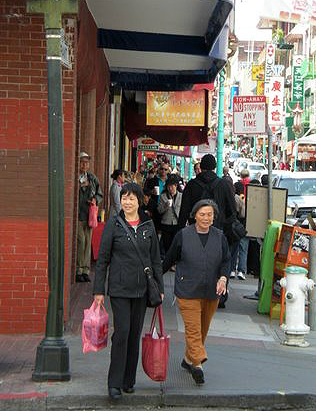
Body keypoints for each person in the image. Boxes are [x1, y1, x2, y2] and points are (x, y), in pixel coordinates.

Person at [93, 183, 164, 400]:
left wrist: (159, 288)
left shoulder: (148, 226)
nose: (127, 202)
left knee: (134, 335)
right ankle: (114, 384)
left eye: (132, 198)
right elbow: (103, 259)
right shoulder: (113, 225)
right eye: (124, 197)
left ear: (140, 201)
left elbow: (155, 260)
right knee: (122, 333)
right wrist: (99, 291)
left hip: (142, 289)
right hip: (119, 289)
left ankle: (128, 380)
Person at [163, 199, 230, 385]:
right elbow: (169, 260)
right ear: (194, 215)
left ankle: (188, 359)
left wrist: (223, 278)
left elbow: (226, 261)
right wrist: (154, 279)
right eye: (202, 214)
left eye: (209, 215)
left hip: (211, 291)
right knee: (193, 330)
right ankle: (198, 364)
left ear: (214, 217)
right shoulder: (183, 235)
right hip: (187, 290)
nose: (206, 218)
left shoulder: (220, 236)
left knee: (202, 329)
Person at [178, 154, 236, 239]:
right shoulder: (224, 185)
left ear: (201, 167)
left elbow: (184, 211)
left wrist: (180, 232)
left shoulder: (191, 184)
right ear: (214, 167)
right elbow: (232, 210)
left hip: (195, 231)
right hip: (217, 232)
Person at [77, 152, 103, 283]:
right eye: (82, 162)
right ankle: (78, 269)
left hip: (89, 216)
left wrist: (94, 200)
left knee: (87, 243)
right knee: (80, 242)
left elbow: (100, 194)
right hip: (78, 216)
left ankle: (85, 270)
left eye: (86, 162)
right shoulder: (75, 176)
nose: (84, 165)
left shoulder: (92, 178)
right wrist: (80, 186)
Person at [157, 174, 182, 258]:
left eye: (172, 186)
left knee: (176, 244)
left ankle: (174, 261)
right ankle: (170, 262)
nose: (170, 188)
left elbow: (183, 210)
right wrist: (165, 206)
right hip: (166, 223)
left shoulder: (181, 196)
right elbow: (159, 211)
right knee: (167, 244)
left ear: (176, 186)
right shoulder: (163, 196)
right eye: (168, 187)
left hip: (177, 223)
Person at [230, 181, 248, 280]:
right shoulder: (239, 199)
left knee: (231, 248)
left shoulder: (228, 197)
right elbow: (242, 214)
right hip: (238, 225)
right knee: (241, 248)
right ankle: (241, 270)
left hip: (228, 225)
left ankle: (231, 269)